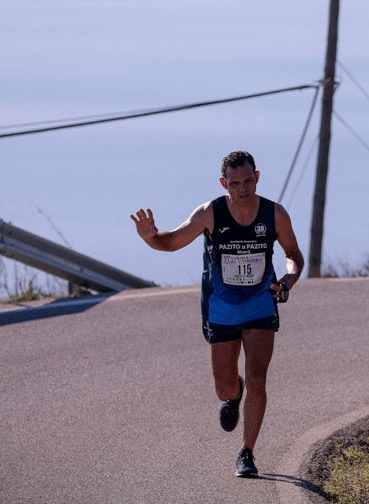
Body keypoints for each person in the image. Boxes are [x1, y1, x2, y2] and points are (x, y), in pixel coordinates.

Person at [130, 150, 304, 478]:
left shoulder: (274, 213)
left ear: (258, 178)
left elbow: (293, 253)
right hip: (221, 308)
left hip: (260, 303)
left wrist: (289, 278)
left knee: (258, 376)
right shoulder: (209, 213)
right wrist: (150, 236)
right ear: (224, 183)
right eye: (235, 183)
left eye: (248, 181)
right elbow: (170, 242)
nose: (243, 188)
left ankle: (247, 452)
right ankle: (233, 394)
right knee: (224, 387)